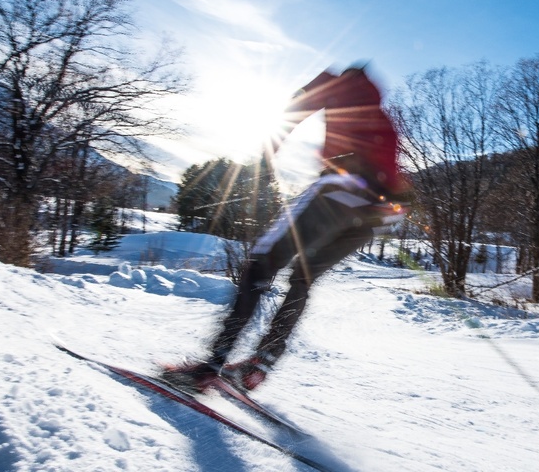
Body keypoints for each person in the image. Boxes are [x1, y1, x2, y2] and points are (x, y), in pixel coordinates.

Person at [164, 65, 410, 391]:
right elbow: (393, 176)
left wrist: (268, 153)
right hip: (380, 212)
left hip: (341, 189)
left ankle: (211, 366)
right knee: (303, 277)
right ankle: (260, 365)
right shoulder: (381, 116)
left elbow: (295, 107)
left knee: (259, 266)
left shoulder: (335, 83)